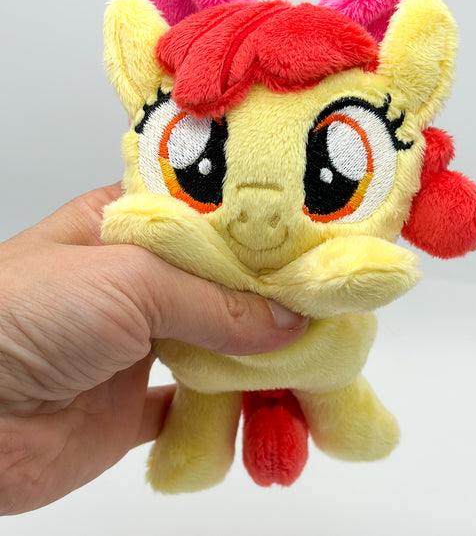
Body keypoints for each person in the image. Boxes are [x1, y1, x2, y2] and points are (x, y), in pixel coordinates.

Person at [0, 183, 308, 515]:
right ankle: (194, 455)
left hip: (256, 366)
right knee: (203, 402)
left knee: (211, 400)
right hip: (209, 364)